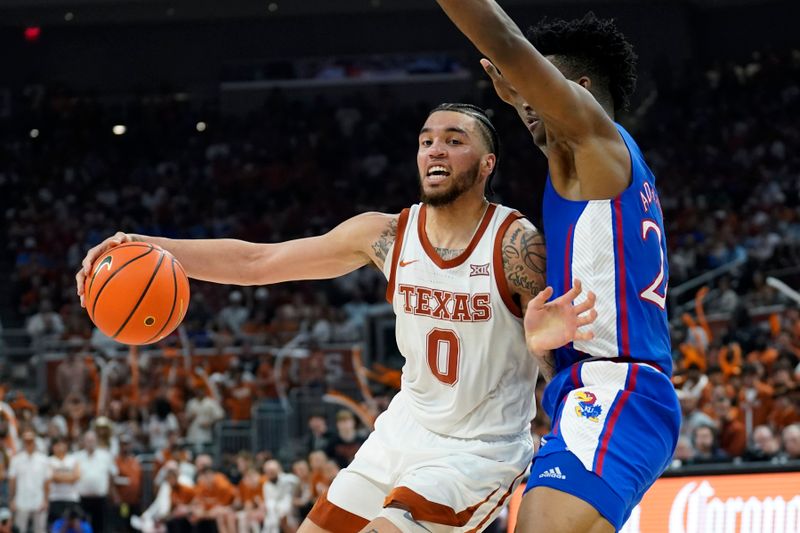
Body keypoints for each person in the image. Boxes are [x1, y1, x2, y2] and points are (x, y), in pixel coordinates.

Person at [76, 102, 597, 532]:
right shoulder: (386, 235)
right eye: (426, 139)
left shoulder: (517, 246)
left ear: (487, 164)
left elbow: (567, 365)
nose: (436, 148)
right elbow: (256, 262)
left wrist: (542, 350)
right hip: (401, 434)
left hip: (475, 453)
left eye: (455, 139)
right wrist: (145, 245)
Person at [435, 3, 680, 532]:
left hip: (618, 390)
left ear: (581, 92)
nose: (524, 102)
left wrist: (516, 64)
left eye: (537, 88)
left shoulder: (599, 143)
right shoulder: (588, 170)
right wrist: (544, 349)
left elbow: (501, 37)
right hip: (599, 390)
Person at [9, 428, 50, 533]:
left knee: (40, 530)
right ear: (22, 441)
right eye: (26, 440)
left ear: (35, 441)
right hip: (21, 500)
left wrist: (45, 500)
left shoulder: (43, 460)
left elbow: (47, 482)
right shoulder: (16, 460)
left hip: (39, 500)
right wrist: (12, 499)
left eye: (30, 440)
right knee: (19, 529)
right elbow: (12, 482)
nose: (28, 442)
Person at [48, 436, 81, 525]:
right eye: (56, 445)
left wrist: (59, 476)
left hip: (71, 497)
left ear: (66, 446)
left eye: (61, 444)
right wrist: (69, 477)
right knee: (55, 526)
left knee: (72, 526)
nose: (58, 447)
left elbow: (76, 476)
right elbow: (52, 477)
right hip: (55, 497)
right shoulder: (49, 460)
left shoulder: (73, 459)